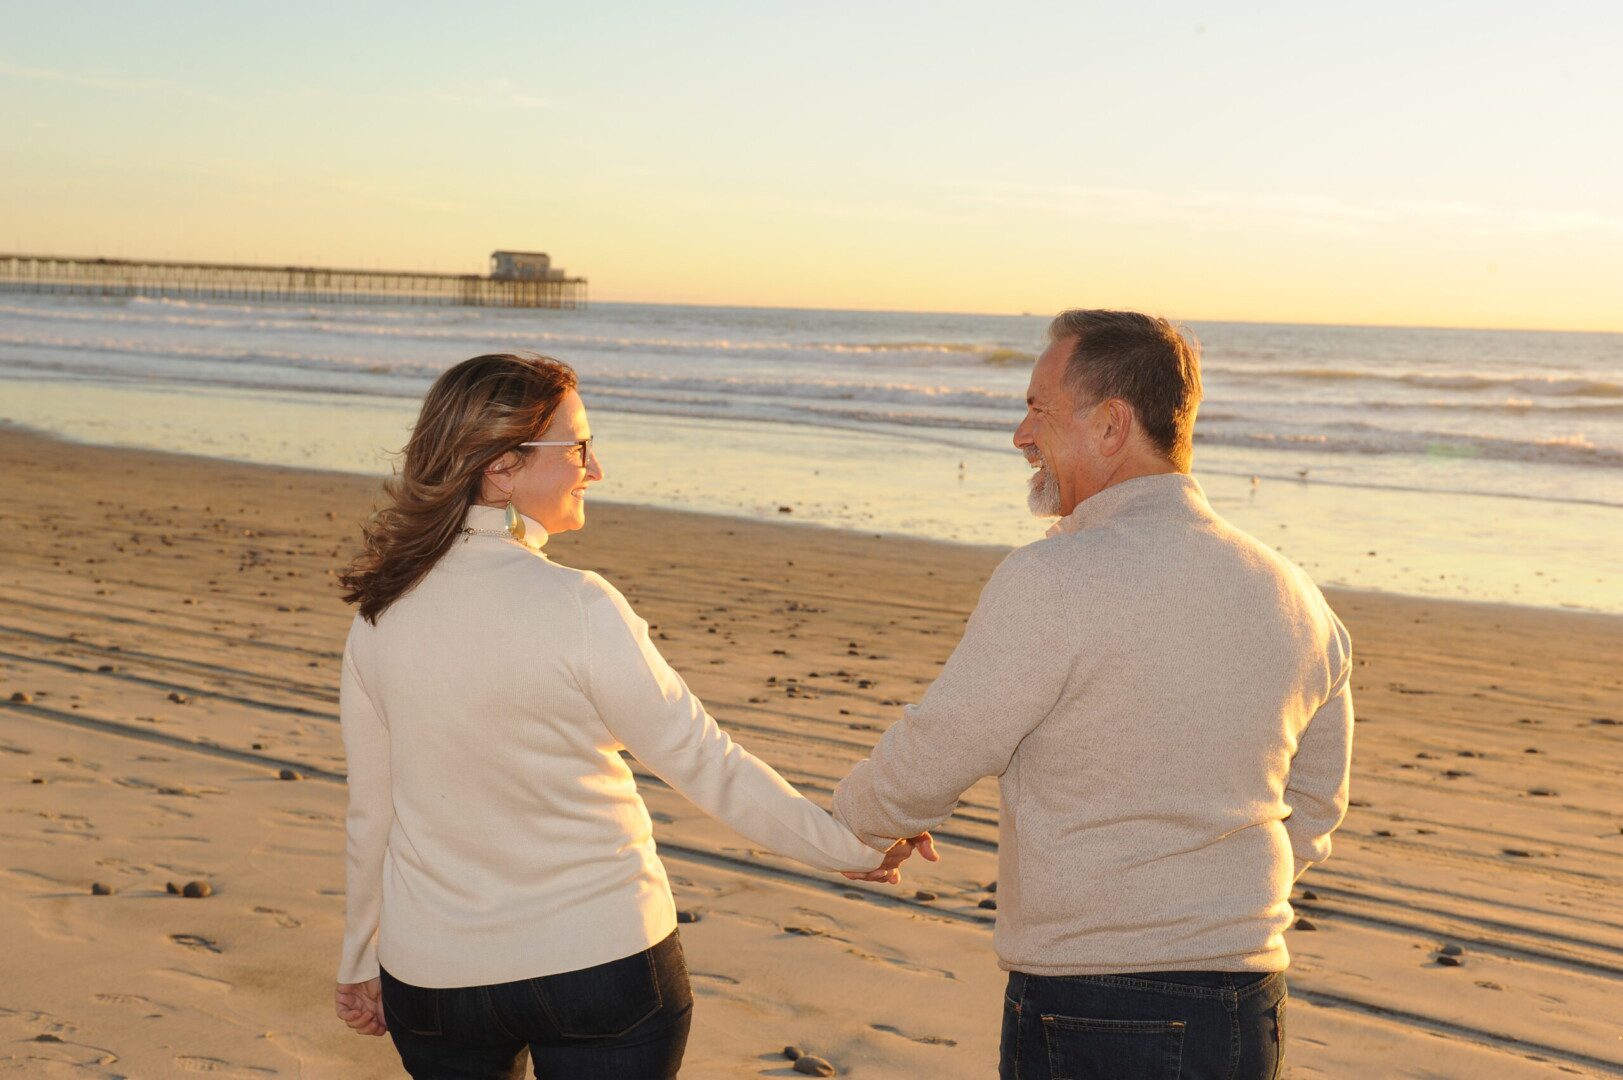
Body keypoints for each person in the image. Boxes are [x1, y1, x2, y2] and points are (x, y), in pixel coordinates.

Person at [331, 353, 929, 1079]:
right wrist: (850, 847)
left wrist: (362, 957)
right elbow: (705, 764)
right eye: (578, 446)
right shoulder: (579, 606)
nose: (595, 467)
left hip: (434, 978)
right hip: (598, 962)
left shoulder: (380, 615)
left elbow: (371, 815)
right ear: (503, 468)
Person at [833, 310, 1354, 1080]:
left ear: (1111, 425)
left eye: (1037, 409)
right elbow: (1313, 808)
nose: (1019, 434)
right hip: (1247, 1001)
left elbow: (943, 743)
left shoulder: (1056, 580)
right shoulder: (1293, 594)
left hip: (1098, 1003)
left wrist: (860, 826)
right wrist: (1210, 903)